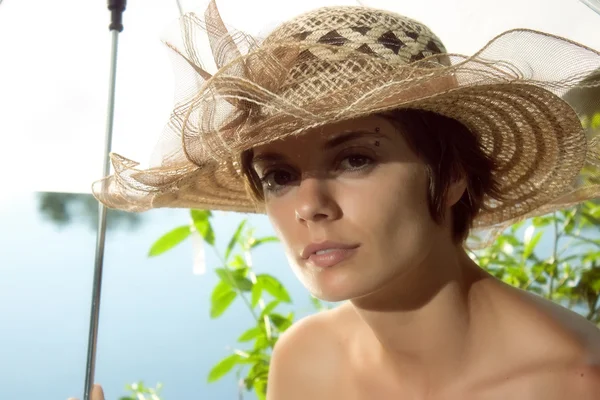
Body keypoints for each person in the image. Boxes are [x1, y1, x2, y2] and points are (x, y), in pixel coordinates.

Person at [83, 1, 600, 399]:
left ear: (451, 178)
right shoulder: (305, 364)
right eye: (279, 175)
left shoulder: (577, 380)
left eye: (355, 160)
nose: (310, 205)